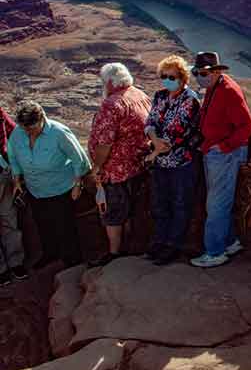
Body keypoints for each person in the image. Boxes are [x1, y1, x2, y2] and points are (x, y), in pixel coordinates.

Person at [6, 100, 90, 270]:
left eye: (31, 128)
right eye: (25, 128)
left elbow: (79, 158)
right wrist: (16, 178)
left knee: (66, 228)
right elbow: (13, 156)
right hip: (35, 189)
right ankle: (50, 255)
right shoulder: (18, 133)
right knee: (43, 225)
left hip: (61, 188)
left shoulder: (58, 132)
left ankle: (73, 262)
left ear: (42, 118)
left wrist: (78, 184)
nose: (28, 132)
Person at [190, 52, 251, 268]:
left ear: (216, 71)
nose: (199, 76)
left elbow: (246, 127)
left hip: (225, 155)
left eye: (203, 73)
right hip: (215, 152)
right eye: (196, 73)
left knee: (216, 204)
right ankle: (230, 242)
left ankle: (215, 252)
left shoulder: (228, 92)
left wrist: (223, 146)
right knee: (219, 202)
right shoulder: (214, 87)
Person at [87, 63, 152, 267]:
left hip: (116, 170)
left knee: (113, 212)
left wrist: (97, 167)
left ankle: (115, 253)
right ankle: (130, 247)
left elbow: (105, 143)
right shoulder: (139, 95)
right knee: (130, 209)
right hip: (138, 165)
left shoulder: (112, 104)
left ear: (108, 82)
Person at [143, 55, 202, 265]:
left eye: (172, 76)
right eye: (164, 76)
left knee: (180, 205)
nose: (167, 80)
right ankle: (159, 241)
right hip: (161, 163)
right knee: (160, 204)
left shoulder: (190, 100)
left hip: (181, 163)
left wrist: (155, 151)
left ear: (183, 78)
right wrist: (154, 141)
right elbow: (150, 121)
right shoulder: (159, 96)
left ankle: (173, 246)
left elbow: (179, 132)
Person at [0, 104, 28, 285]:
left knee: (9, 218)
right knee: (8, 219)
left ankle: (15, 263)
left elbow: (13, 131)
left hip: (3, 173)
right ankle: (3, 269)